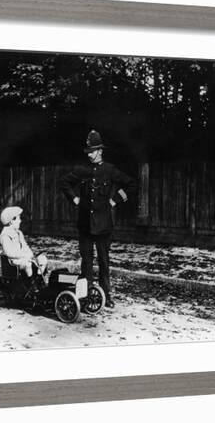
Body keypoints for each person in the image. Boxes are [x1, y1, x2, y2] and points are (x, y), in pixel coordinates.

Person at [60, 130, 137, 308]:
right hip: (85, 225)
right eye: (88, 151)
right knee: (86, 262)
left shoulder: (109, 170)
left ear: (100, 151)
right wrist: (75, 198)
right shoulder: (82, 170)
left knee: (104, 261)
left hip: (103, 225)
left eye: (92, 151)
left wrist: (115, 200)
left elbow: (132, 184)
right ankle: (85, 296)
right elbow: (64, 182)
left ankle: (106, 295)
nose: (90, 155)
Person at [0, 206, 47, 279]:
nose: (20, 221)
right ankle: (30, 283)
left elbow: (25, 246)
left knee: (42, 260)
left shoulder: (19, 233)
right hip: (13, 260)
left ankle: (39, 279)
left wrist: (30, 254)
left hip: (22, 257)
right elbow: (9, 253)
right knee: (27, 264)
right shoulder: (5, 235)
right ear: (12, 221)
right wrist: (24, 255)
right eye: (19, 218)